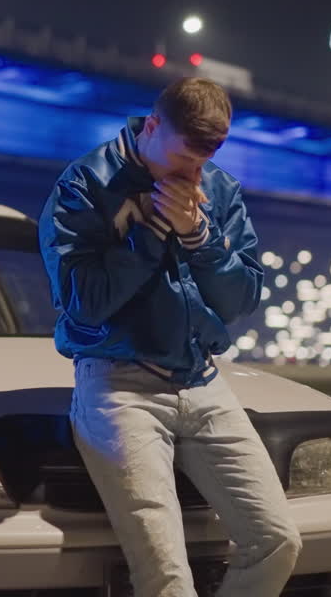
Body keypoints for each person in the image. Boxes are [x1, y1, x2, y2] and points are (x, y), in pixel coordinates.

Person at [39, 77, 301, 596]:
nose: (193, 175)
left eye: (204, 162)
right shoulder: (85, 185)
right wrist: (152, 230)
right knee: (165, 576)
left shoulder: (219, 190)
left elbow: (242, 300)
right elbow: (82, 302)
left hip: (203, 380)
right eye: (183, 160)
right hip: (119, 386)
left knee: (277, 541)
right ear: (152, 126)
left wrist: (200, 237)